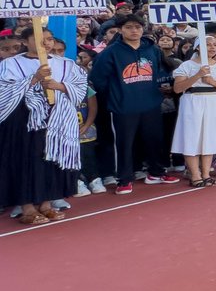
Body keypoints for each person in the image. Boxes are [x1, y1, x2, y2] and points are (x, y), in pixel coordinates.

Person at [0, 25, 88, 224]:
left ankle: (46, 203)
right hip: (23, 121)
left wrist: (60, 86)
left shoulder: (64, 63)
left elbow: (80, 85)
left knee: (50, 159)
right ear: (25, 42)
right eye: (40, 39)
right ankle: (27, 207)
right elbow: (4, 91)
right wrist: (33, 80)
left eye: (49, 39)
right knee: (25, 161)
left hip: (56, 120)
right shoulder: (11, 64)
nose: (46, 43)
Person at [88, 16, 180, 195]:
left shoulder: (152, 49)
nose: (134, 31)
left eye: (137, 27)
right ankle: (123, 179)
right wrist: (117, 96)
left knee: (154, 140)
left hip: (151, 104)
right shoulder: (110, 52)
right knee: (124, 144)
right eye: (129, 27)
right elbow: (98, 79)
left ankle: (156, 173)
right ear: (121, 30)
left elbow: (157, 72)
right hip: (123, 106)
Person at [171, 36, 216, 187]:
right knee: (191, 137)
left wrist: (212, 81)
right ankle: (195, 175)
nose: (212, 47)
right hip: (193, 101)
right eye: (208, 45)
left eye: (215, 44)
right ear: (198, 47)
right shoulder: (187, 66)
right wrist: (198, 75)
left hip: (214, 102)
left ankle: (206, 174)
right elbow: (178, 88)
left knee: (210, 138)